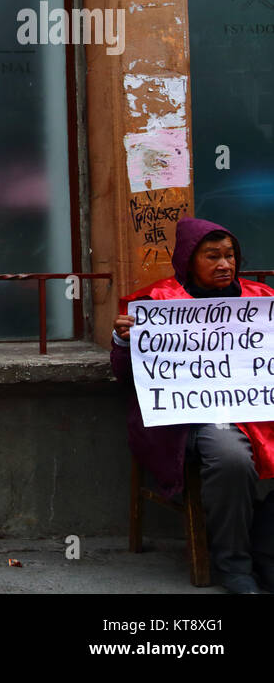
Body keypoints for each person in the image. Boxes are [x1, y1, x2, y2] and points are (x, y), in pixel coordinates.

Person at [111, 216, 274, 594]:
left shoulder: (261, 299)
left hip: (259, 410)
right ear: (188, 259)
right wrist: (124, 342)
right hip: (197, 418)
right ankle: (234, 563)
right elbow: (124, 375)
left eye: (230, 256)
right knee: (231, 457)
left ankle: (265, 545)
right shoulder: (155, 303)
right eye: (213, 256)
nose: (224, 265)